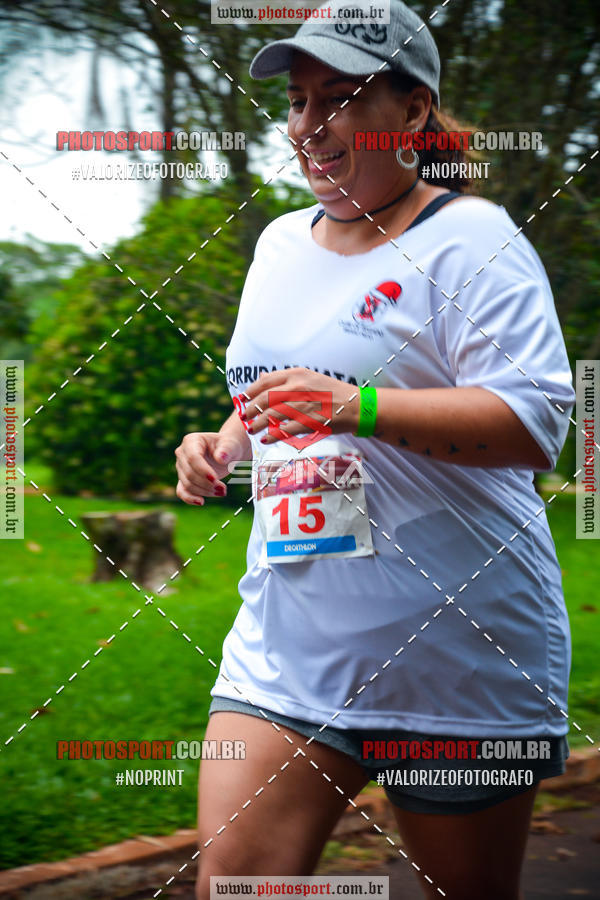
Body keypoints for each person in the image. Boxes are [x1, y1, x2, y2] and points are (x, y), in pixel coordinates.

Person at [174, 2, 576, 897]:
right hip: (290, 650)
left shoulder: (473, 238)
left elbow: (538, 421)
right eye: (297, 102)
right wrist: (223, 438)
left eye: (340, 100)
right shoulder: (280, 243)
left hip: (458, 660)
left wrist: (358, 407)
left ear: (414, 109)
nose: (309, 127)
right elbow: (276, 386)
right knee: (233, 887)